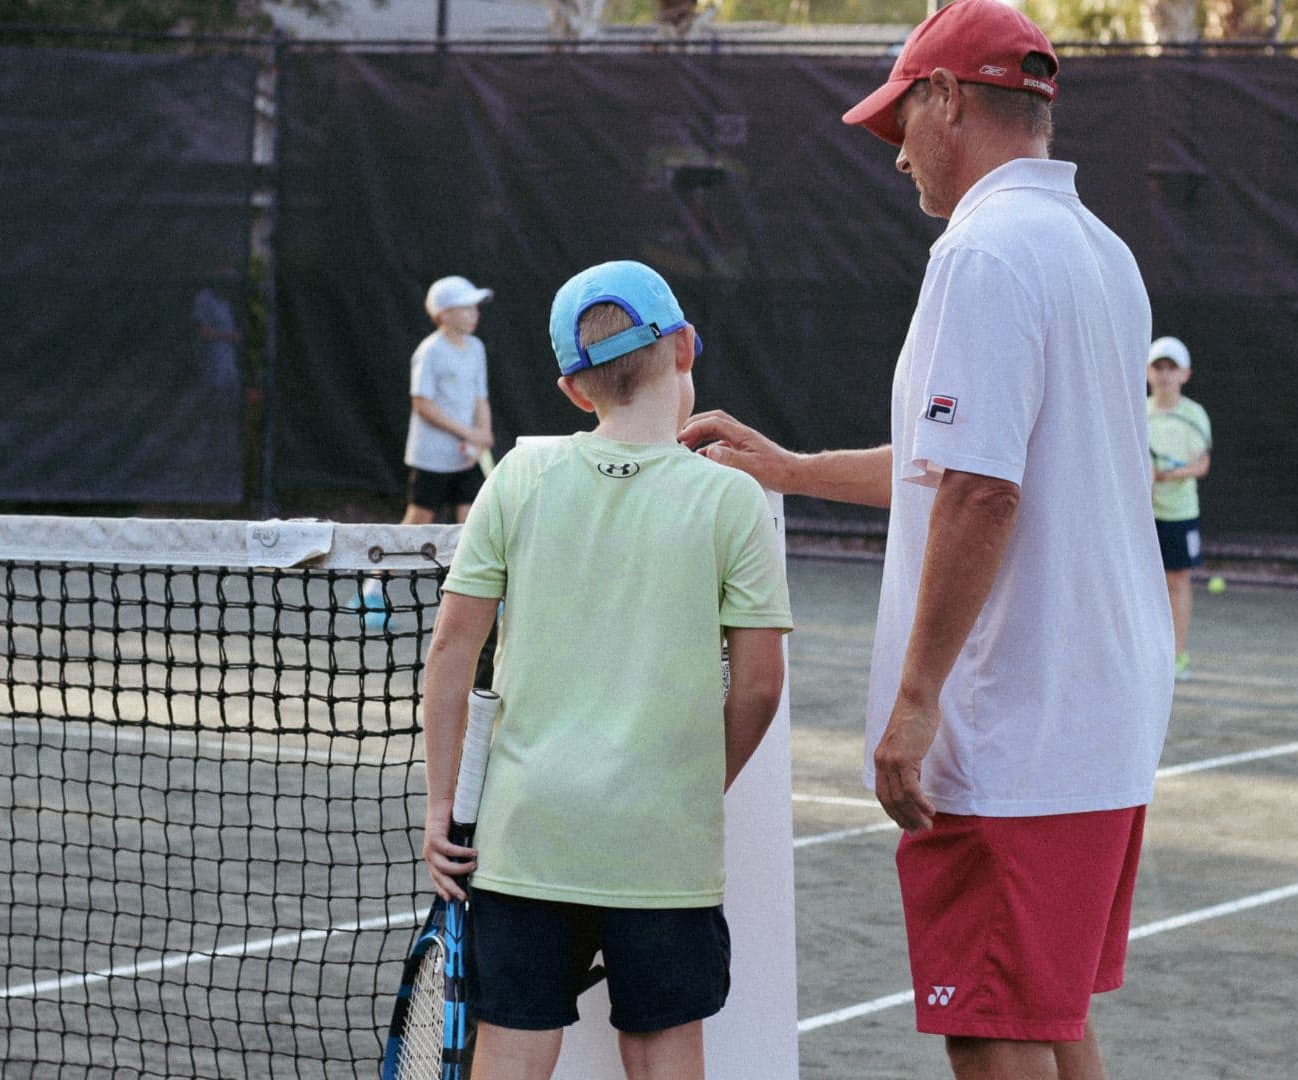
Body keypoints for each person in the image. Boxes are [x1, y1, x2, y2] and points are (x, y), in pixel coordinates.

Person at [678, 2, 1173, 1077]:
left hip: (1010, 723)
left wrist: (915, 701)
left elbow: (982, 495)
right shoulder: (1102, 251)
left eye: (899, 120)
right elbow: (963, 468)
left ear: (948, 97)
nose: (896, 153)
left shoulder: (982, 254)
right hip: (1097, 713)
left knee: (992, 1031)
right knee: (1052, 1016)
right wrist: (795, 470)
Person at [420, 260, 792, 1080]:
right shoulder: (731, 499)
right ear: (686, 347)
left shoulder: (518, 477)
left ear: (572, 388)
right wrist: (697, 781)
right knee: (665, 1056)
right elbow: (761, 685)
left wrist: (442, 802)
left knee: (511, 1055)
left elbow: (450, 651)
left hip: (527, 836)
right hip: (662, 844)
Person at [1145, 335, 1213, 682]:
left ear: (1185, 374)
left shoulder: (1194, 415)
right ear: (1147, 372)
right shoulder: (1137, 414)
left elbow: (1202, 465)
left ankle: (1178, 656)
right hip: (1142, 517)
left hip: (1181, 513)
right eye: (1158, 367)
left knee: (1178, 581)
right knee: (1139, 585)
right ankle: (1143, 657)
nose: (1165, 375)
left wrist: (1172, 474)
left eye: (1172, 368)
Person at [403, 274, 496, 525]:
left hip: (467, 457)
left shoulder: (476, 348)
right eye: (465, 308)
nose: (474, 314)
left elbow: (480, 397)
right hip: (432, 458)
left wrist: (484, 433)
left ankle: (457, 567)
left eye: (475, 307)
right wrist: (468, 432)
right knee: (418, 521)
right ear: (443, 314)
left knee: (469, 524)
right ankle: (385, 566)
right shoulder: (430, 351)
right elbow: (422, 404)